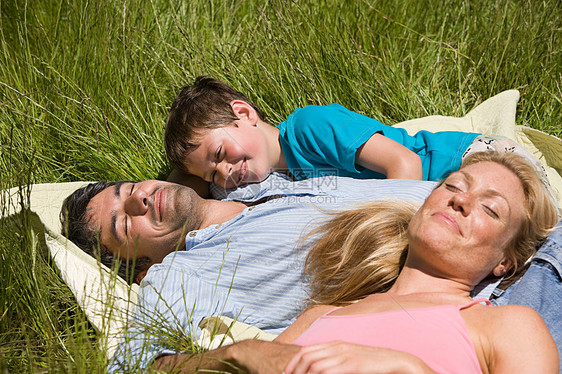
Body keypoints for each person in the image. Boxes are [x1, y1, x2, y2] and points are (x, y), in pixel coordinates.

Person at [151, 151, 560, 373]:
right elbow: (159, 369)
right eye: (453, 185)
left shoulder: (509, 325)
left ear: (504, 262)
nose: (462, 200)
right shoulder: (321, 318)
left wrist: (410, 369)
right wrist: (242, 353)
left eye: (490, 209)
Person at [60, 173, 437, 372]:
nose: (138, 199)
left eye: (128, 189)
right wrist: (242, 355)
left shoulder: (248, 184)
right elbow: (133, 364)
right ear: (140, 268)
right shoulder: (182, 275)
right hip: (477, 288)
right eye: (125, 224)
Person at [164, 77, 546, 194]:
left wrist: (394, 236)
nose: (225, 173)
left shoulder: (308, 127)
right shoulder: (279, 180)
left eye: (219, 154)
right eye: (213, 174)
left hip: (466, 160)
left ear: (244, 114)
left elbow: (405, 161)